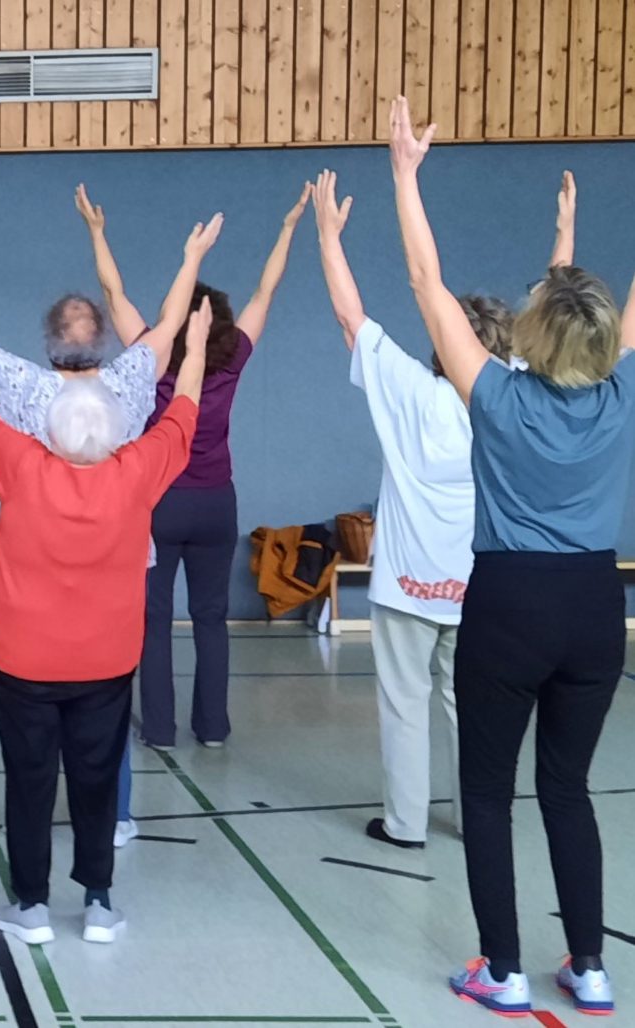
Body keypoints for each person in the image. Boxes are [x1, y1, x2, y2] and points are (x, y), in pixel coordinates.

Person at [390, 95, 632, 1017]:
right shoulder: (619, 393)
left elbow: (425, 277)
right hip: (592, 609)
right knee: (568, 790)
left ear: (531, 332)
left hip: (510, 604)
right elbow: (582, 330)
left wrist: (407, 176)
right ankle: (593, 967)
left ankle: (500, 968)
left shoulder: (494, 395)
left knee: (486, 793)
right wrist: (567, 246)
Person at [0, 228, 209, 945]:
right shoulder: (137, 470)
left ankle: (31, 906)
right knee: (98, 777)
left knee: (30, 777)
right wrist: (193, 348)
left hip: (25, 661)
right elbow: (184, 413)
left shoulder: (18, 463)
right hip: (105, 661)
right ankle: (99, 902)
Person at [311, 168, 516, 850]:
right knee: (472, 708)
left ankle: (404, 823)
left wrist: (328, 237)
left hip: (406, 584)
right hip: (481, 585)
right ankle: (472, 816)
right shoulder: (509, 397)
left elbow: (351, 317)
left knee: (405, 706)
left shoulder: (411, 391)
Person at [139, 184, 311, 751]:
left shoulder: (156, 358)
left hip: (161, 503)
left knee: (154, 620)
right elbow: (268, 287)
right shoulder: (233, 353)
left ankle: (160, 730)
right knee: (212, 620)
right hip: (217, 503)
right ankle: (212, 729)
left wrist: (98, 236)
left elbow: (118, 293)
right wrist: (287, 229)